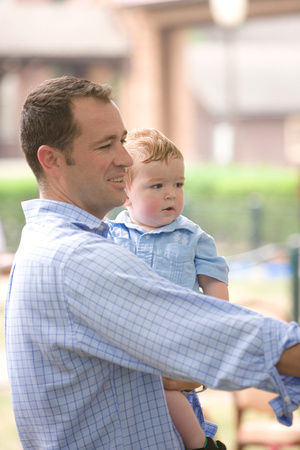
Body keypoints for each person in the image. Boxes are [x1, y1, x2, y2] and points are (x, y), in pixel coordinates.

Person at [5, 75, 300, 450]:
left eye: (123, 141)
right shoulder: (78, 259)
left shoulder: (48, 242)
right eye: (105, 145)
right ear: (52, 160)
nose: (125, 158)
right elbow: (216, 335)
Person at [108, 127, 229, 448]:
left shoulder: (192, 236)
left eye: (178, 184)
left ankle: (199, 443)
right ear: (126, 193)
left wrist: (220, 324)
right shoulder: (111, 234)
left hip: (178, 335)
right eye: (157, 185)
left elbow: (214, 279)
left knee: (166, 387)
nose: (171, 194)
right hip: (128, 337)